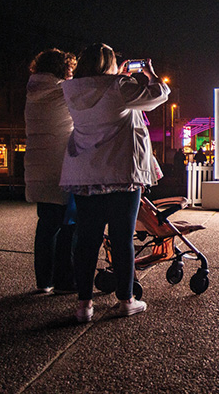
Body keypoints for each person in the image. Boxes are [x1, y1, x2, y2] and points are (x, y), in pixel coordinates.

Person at [60, 43, 169, 323]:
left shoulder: (71, 89)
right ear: (110, 63)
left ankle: (84, 306)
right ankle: (126, 300)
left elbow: (100, 93)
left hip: (85, 176)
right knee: (122, 240)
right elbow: (158, 95)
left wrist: (115, 77)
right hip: (121, 175)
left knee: (87, 240)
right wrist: (150, 73)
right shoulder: (120, 86)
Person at [25, 48, 78, 294]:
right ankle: (63, 278)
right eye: (69, 69)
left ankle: (43, 280)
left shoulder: (33, 90)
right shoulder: (62, 92)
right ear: (62, 69)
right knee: (66, 225)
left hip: (37, 166)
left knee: (46, 225)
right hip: (59, 167)